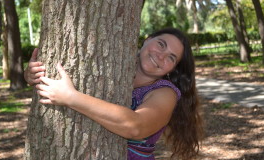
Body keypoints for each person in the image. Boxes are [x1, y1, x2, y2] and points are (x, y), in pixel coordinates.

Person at [24, 28, 203, 159]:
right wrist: (33, 74)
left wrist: (71, 98)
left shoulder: (166, 93)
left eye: (171, 57)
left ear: (173, 69)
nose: (162, 56)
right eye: (160, 44)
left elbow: (135, 126)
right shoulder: (113, 61)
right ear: (147, 40)